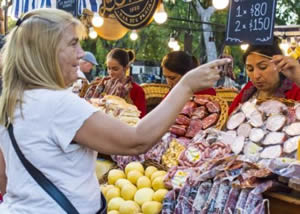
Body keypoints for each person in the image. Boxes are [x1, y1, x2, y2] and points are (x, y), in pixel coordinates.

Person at [0, 8, 230, 214]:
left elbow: (4, 179)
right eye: (72, 43)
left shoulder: (11, 101)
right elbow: (136, 141)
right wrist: (186, 85)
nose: (81, 53)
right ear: (46, 51)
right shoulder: (59, 105)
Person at [229, 37, 300, 115]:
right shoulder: (249, 89)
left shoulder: (295, 89)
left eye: (263, 67)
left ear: (279, 64)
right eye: (250, 69)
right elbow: (229, 116)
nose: (256, 76)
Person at [106, 48, 147, 117]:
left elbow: (141, 117)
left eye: (115, 69)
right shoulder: (104, 85)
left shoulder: (137, 90)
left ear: (126, 68)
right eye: (108, 68)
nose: (110, 72)